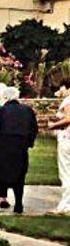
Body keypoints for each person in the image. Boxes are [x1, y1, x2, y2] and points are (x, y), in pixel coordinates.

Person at [0, 86, 38, 214]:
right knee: (19, 178)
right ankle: (18, 205)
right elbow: (34, 129)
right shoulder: (28, 111)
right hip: (20, 149)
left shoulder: (0, 111)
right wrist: (28, 143)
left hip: (0, 149)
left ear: (5, 98)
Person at [47, 82, 70, 215]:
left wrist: (53, 125)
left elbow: (68, 118)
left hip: (67, 140)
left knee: (66, 173)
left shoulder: (68, 100)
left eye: (62, 87)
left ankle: (64, 207)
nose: (60, 90)